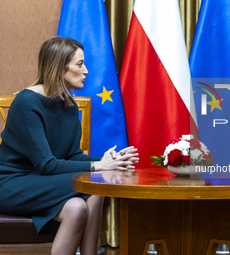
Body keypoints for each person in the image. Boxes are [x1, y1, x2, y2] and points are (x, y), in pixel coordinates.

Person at [0, 37, 139, 255]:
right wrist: (97, 168)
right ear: (59, 66)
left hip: (43, 181)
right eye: (80, 64)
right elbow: (46, 164)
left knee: (77, 206)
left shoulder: (69, 104)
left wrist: (106, 162)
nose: (86, 71)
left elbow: (72, 155)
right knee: (94, 180)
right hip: (13, 183)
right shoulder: (27, 103)